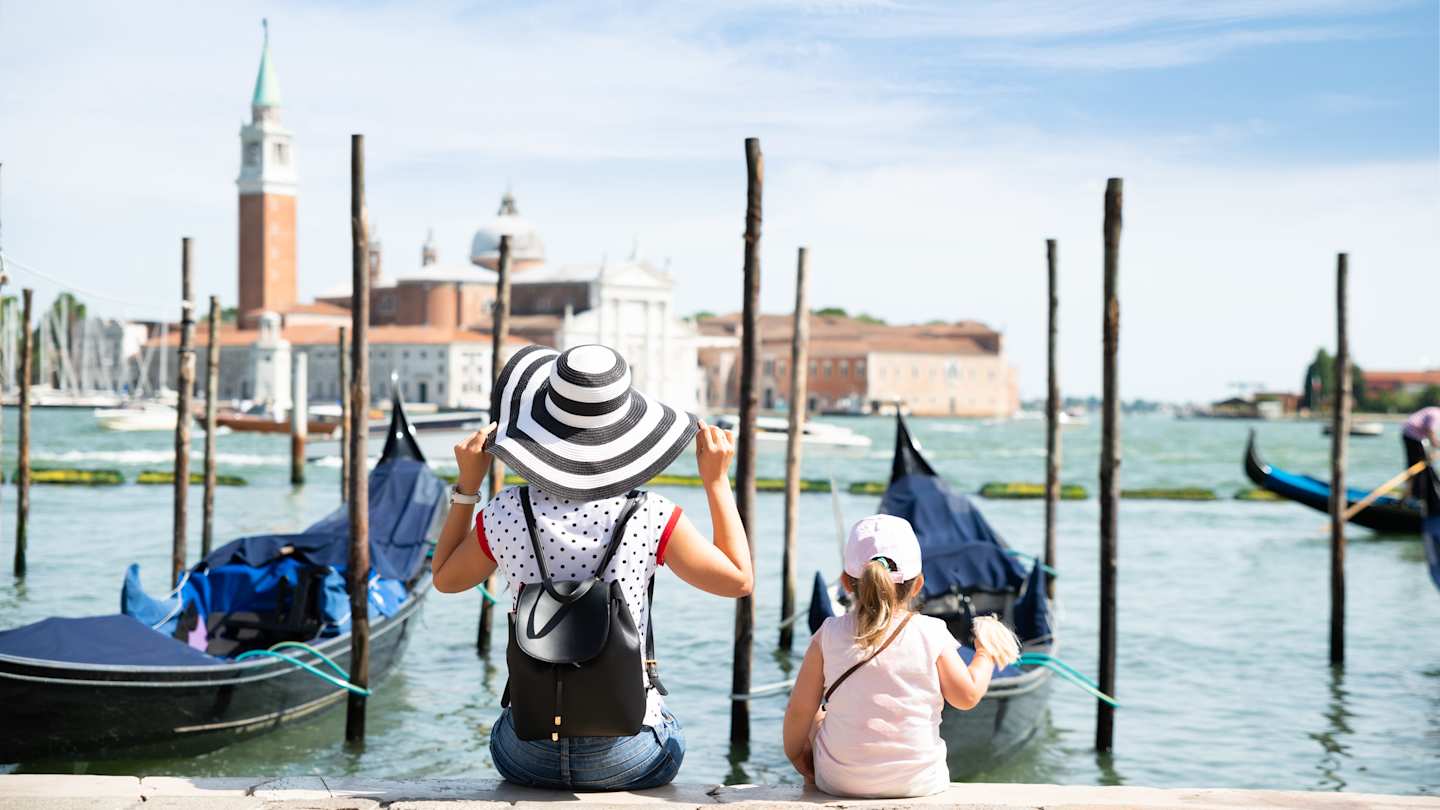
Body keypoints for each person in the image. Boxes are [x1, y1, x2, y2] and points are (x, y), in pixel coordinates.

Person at [429, 344, 753, 791]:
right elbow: (738, 580)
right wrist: (717, 482)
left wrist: (468, 485)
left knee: (509, 727)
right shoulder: (653, 514)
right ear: (626, 431)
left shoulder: (506, 512)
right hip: (629, 756)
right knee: (668, 726)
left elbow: (444, 579)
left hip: (525, 754)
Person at [782, 515, 1019, 799]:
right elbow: (965, 696)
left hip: (838, 781)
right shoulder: (931, 631)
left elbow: (799, 711)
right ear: (918, 585)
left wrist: (797, 754)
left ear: (846, 582)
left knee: (817, 717)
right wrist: (985, 653)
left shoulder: (828, 633)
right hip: (919, 783)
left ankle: (813, 789)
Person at [1402, 405, 1440, 501]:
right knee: (1418, 466)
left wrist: (1432, 451)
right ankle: (1416, 496)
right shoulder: (1435, 415)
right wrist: (1435, 448)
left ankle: (1418, 494)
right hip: (1412, 436)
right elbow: (1430, 433)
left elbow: (1429, 436)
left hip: (1412, 435)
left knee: (1423, 465)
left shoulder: (1433, 411)